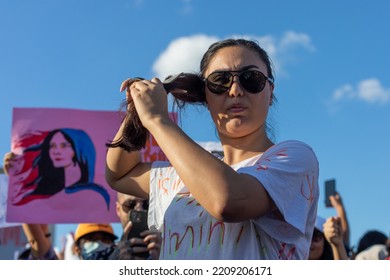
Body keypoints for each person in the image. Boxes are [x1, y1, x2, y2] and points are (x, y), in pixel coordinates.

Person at [105, 38, 320, 259]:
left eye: (251, 79)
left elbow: (227, 200)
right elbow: (120, 174)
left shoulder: (295, 158)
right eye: (220, 81)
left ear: (270, 92)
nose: (235, 90)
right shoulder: (186, 173)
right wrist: (136, 114)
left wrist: (157, 120)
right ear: (205, 95)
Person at [5, 128, 110, 208]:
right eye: (52, 146)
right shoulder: (47, 192)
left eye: (64, 145)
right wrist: (13, 172)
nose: (56, 151)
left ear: (79, 148)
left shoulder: (95, 195)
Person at [111, 191, 161, 260]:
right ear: (118, 210)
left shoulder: (174, 250)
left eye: (147, 204)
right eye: (130, 205)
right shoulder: (98, 257)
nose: (139, 209)